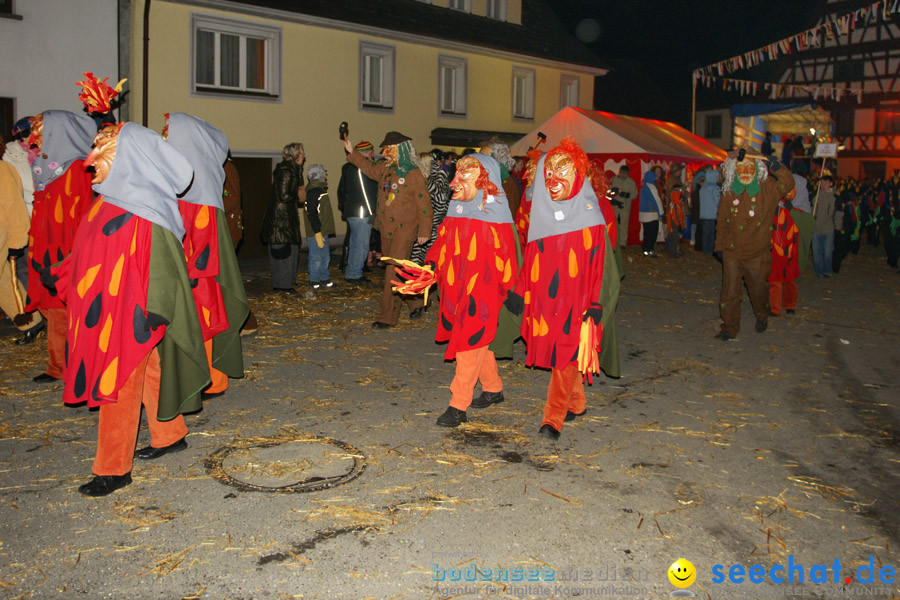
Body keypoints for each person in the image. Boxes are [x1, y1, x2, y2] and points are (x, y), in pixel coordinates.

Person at [48, 122, 209, 496]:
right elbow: (92, 251)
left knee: (116, 383)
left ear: (128, 159)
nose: (90, 162)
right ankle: (170, 435)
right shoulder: (107, 200)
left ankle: (113, 467)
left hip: (131, 314)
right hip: (107, 309)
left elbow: (164, 266)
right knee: (149, 369)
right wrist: (63, 274)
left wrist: (153, 312)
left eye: (103, 153)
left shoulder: (146, 210)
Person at [498, 137, 620, 441]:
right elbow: (532, 256)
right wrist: (518, 289)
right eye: (548, 173)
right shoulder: (542, 215)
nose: (553, 180)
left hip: (577, 302)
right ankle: (576, 403)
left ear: (578, 176)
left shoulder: (592, 221)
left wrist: (596, 303)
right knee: (561, 356)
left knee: (564, 354)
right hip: (545, 300)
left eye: (562, 172)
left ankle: (553, 417)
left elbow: (599, 269)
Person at [393, 154, 519, 428]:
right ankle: (493, 387)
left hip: (484, 290)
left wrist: (513, 289)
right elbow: (443, 242)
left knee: (467, 342)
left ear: (484, 179)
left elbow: (509, 254)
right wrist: (431, 264)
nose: (453, 182)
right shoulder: (457, 211)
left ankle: (458, 404)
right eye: (456, 174)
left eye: (464, 175)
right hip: (456, 288)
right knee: (477, 341)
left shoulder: (497, 218)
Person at [164, 112, 248, 400]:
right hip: (194, 267)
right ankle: (211, 379)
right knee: (205, 320)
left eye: (168, 131)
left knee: (205, 322)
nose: (164, 136)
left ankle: (211, 380)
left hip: (198, 269)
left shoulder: (196, 184)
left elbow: (195, 232)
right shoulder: (192, 177)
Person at [26, 111, 97, 382]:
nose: (35, 139)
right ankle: (59, 364)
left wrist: (67, 259)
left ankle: (65, 367)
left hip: (63, 253)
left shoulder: (77, 170)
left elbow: (79, 218)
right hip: (44, 249)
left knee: (60, 312)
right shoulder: (51, 169)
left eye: (41, 132)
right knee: (50, 309)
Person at [343, 132, 431, 328]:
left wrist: (424, 229)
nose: (383, 152)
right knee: (399, 271)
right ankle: (417, 302)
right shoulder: (385, 168)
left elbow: (424, 204)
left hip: (405, 229)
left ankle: (387, 317)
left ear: (400, 150)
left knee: (392, 272)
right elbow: (367, 167)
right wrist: (351, 152)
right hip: (386, 228)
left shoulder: (413, 173)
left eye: (388, 149)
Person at [714, 149, 794, 340]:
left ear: (758, 169)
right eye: (742, 167)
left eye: (750, 167)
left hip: (758, 253)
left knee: (758, 291)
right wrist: (719, 246)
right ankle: (729, 327)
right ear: (735, 169)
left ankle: (762, 314)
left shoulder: (768, 188)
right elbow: (722, 220)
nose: (746, 171)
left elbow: (788, 184)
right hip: (732, 251)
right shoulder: (729, 190)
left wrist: (778, 168)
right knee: (730, 292)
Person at [0, 141, 43, 342]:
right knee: (4, 281)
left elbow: (13, 205)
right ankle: (31, 322)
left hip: (1, 230)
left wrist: (17, 240)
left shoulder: (2, 170)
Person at [261, 142, 305, 293]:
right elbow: (284, 194)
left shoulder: (294, 170)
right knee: (282, 253)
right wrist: (299, 196)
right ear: (297, 154)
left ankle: (288, 282)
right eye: (302, 152)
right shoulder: (286, 171)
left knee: (291, 251)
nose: (304, 156)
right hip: (280, 220)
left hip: (287, 218)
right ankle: (282, 285)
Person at [337, 140, 377, 284]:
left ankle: (351, 271)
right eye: (371, 152)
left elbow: (342, 190)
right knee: (362, 244)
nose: (373, 155)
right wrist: (372, 212)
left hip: (353, 211)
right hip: (362, 212)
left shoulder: (349, 168)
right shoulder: (361, 169)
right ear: (364, 153)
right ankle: (354, 273)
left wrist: (343, 208)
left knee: (355, 243)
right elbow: (366, 193)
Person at [410, 150, 450, 267]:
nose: (438, 163)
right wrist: (443, 173)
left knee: (423, 258)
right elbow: (440, 200)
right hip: (428, 225)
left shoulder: (426, 179)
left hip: (427, 225)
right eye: (435, 161)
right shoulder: (427, 181)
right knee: (422, 257)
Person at [768, 187, 800, 316]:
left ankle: (790, 305)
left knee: (789, 279)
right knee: (775, 279)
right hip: (775, 246)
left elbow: (800, 222)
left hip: (789, 246)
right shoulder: (769, 207)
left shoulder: (791, 208)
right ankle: (775, 308)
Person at [304, 163, 335, 289]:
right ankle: (314, 279)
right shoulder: (314, 192)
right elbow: (312, 213)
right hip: (316, 232)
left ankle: (324, 277)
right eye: (324, 174)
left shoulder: (320, 191)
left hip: (323, 231)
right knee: (316, 257)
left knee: (325, 256)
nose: (326, 177)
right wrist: (317, 231)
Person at [812, 175, 836, 278]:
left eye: (826, 183)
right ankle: (819, 271)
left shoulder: (834, 197)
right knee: (816, 253)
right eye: (821, 183)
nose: (823, 185)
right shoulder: (816, 196)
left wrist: (838, 227)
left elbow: (837, 213)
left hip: (828, 229)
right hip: (816, 229)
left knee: (827, 253)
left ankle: (827, 271)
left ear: (831, 184)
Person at [609, 165, 637, 248]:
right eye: (622, 173)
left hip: (625, 207)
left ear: (628, 174)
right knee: (614, 225)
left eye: (625, 173)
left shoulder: (631, 182)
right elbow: (607, 190)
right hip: (614, 206)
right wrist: (613, 192)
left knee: (623, 225)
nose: (623, 175)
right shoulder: (614, 179)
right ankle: (613, 242)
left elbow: (634, 194)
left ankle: (622, 243)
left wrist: (628, 195)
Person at [639, 169, 663, 257]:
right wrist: (661, 212)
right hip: (651, 214)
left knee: (647, 233)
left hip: (644, 214)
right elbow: (656, 201)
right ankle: (649, 250)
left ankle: (645, 250)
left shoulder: (644, 186)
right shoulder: (651, 186)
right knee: (652, 233)